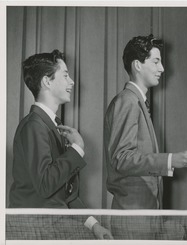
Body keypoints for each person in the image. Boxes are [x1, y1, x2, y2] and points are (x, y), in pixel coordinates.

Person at [8, 50, 112, 239]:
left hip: (49, 225)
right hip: (35, 229)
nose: (71, 82)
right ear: (47, 82)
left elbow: (65, 192)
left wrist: (94, 224)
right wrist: (77, 148)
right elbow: (46, 184)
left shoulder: (48, 125)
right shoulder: (34, 126)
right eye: (65, 75)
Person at [103, 34, 187, 210]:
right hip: (133, 216)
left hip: (143, 213)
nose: (162, 68)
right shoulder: (128, 100)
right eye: (156, 61)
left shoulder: (136, 101)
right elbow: (121, 159)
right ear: (137, 65)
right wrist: (170, 160)